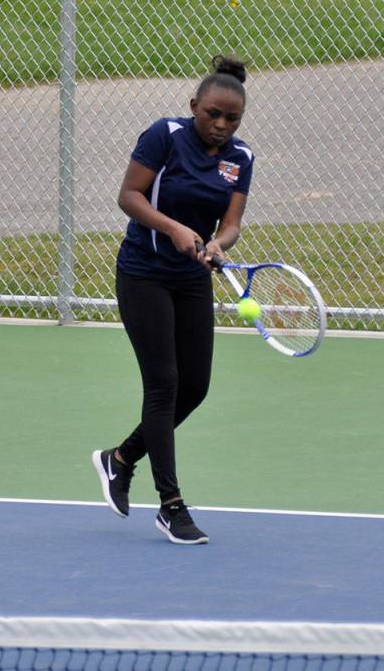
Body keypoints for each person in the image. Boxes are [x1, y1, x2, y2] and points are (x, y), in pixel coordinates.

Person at [92, 55, 254, 545]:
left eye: (232, 119)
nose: (221, 125)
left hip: (191, 278)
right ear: (194, 106)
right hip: (143, 273)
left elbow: (231, 224)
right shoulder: (164, 135)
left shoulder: (241, 159)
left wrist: (217, 244)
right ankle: (171, 506)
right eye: (213, 114)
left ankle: (120, 458)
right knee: (163, 384)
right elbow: (129, 196)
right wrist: (174, 228)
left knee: (195, 387)